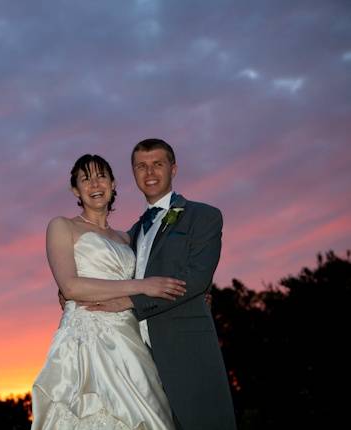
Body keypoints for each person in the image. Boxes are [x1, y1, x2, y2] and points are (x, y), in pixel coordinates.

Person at [84, 139, 237, 429]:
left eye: (157, 164)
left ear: (173, 169)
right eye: (141, 166)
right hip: (137, 357)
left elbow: (197, 278)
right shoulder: (132, 233)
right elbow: (108, 271)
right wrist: (73, 286)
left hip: (186, 348)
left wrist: (131, 301)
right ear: (133, 173)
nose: (149, 171)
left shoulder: (203, 216)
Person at [31, 154, 186, 429]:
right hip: (86, 338)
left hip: (130, 338)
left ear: (113, 184)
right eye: (85, 179)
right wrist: (141, 286)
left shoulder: (128, 238)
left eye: (101, 176)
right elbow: (70, 286)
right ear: (75, 190)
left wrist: (192, 297)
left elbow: (163, 276)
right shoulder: (62, 226)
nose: (95, 184)